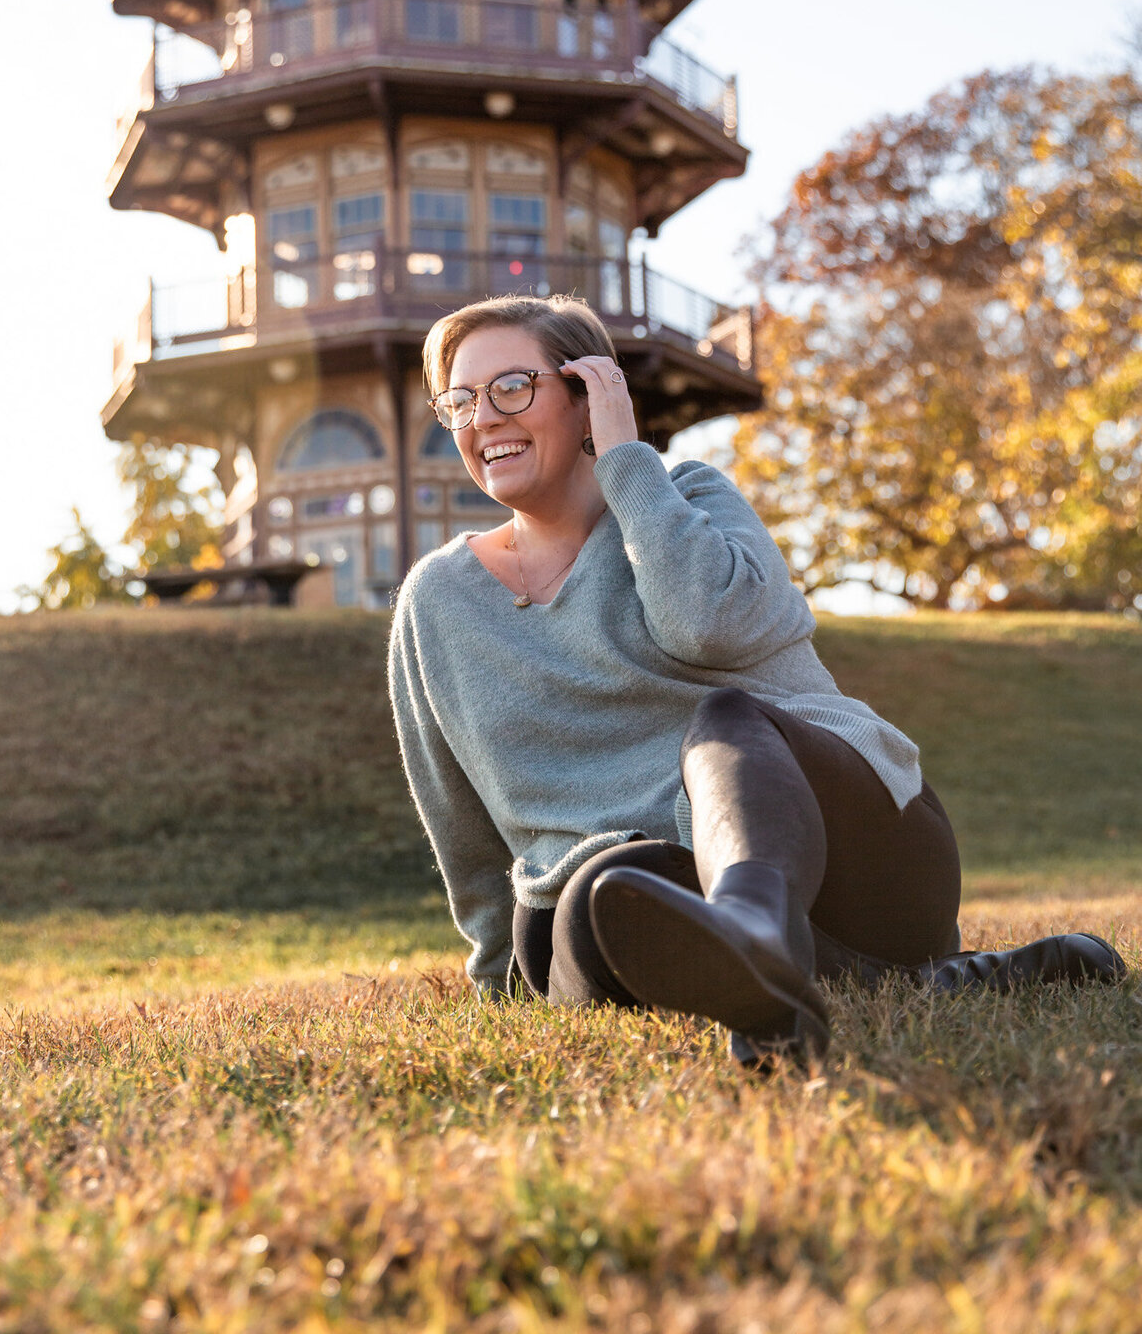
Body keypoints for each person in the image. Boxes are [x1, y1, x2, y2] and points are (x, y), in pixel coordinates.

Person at [388, 294, 1126, 1062]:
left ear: (588, 396)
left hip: (847, 847)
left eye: (512, 388)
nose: (483, 420)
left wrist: (628, 465)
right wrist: (498, 981)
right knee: (595, 899)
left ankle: (753, 930)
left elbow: (705, 625)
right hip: (637, 890)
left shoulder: (690, 498)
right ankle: (889, 980)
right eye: (461, 402)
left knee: (731, 719)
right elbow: (458, 816)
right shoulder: (438, 600)